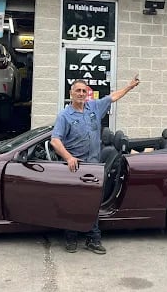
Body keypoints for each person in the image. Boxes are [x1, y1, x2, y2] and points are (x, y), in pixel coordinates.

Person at [50, 75, 140, 254]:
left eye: (84, 91)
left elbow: (112, 97)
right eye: (78, 91)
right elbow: (55, 140)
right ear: (71, 93)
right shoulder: (64, 116)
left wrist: (129, 87)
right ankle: (71, 238)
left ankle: (94, 239)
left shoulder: (94, 107)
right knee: (73, 203)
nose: (81, 94)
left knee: (92, 203)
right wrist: (68, 157)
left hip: (93, 167)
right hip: (74, 167)